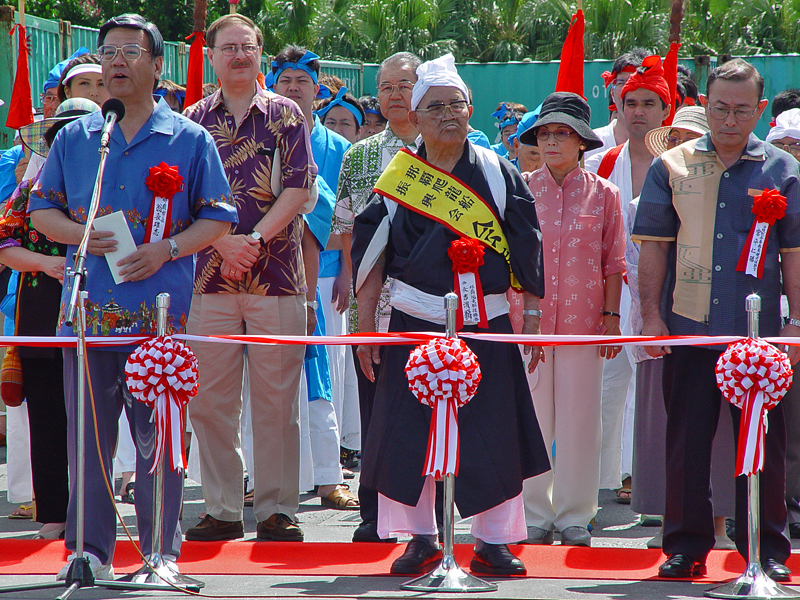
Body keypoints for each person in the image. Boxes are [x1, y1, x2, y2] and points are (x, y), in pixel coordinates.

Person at [29, 13, 237, 579]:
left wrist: (168, 248)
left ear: (157, 64)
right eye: (107, 52)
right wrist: (80, 235)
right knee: (88, 440)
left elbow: (219, 216)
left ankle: (160, 554)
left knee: (160, 442)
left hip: (160, 317)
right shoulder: (77, 138)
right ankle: (89, 553)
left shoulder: (190, 139)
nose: (116, 62)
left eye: (129, 52)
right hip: (88, 313)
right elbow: (40, 210)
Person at [352, 53, 550, 576]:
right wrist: (366, 327)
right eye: (434, 106)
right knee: (408, 431)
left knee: (493, 429)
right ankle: (420, 537)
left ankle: (494, 540)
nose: (447, 115)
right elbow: (371, 255)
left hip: (487, 319)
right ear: (414, 117)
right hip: (413, 320)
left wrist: (530, 319)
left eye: (456, 105)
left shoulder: (498, 172)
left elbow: (527, 247)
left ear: (470, 110)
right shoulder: (401, 178)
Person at [633, 58, 800, 581]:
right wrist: (652, 318)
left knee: (764, 444)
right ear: (705, 105)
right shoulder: (672, 166)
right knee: (685, 440)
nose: (730, 120)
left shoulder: (784, 170)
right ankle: (684, 547)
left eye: (742, 110)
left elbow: (794, 253)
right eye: (721, 108)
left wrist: (796, 326)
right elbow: (654, 249)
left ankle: (765, 549)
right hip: (688, 326)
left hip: (761, 334)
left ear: (762, 109)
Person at [183, 14, 315, 543]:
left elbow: (300, 189)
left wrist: (252, 241)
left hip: (277, 276)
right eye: (228, 48)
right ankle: (221, 507)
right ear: (211, 56)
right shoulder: (191, 121)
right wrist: (221, 243)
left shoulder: (285, 114)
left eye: (248, 47)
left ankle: (278, 509)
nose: (239, 55)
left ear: (262, 54)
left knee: (277, 400)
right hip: (208, 280)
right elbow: (181, 201)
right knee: (210, 401)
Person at [517, 92, 626, 547]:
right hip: (531, 322)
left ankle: (576, 515)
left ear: (582, 141)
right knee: (533, 418)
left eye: (562, 133)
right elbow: (513, 257)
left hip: (586, 323)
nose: (552, 141)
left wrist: (613, 319)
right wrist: (522, 317)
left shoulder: (605, 194)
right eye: (544, 133)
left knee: (582, 419)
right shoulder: (520, 188)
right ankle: (533, 514)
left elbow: (613, 262)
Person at [631, 106, 736, 550]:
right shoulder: (655, 186)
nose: (681, 147)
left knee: (735, 434)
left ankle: (729, 529)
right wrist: (649, 318)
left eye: (688, 138)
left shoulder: (751, 180)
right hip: (672, 323)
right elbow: (643, 256)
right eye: (673, 139)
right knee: (677, 434)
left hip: (734, 323)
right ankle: (679, 531)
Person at [331, 50, 422, 543]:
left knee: (430, 400)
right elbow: (344, 230)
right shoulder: (361, 155)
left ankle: (428, 514)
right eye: (385, 87)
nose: (394, 95)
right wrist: (349, 277)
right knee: (375, 407)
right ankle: (375, 512)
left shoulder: (447, 148)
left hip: (431, 303)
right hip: (374, 302)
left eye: (404, 85)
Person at [2, 99, 100, 540]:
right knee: (45, 409)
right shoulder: (30, 187)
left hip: (104, 304)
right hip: (42, 306)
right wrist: (46, 265)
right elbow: (5, 245)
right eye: (64, 130)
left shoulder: (112, 177)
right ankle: (54, 512)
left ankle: (97, 509)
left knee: (99, 409)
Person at [271, 44, 357, 511]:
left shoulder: (338, 147)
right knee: (268, 377)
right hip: (267, 274)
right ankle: (266, 476)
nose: (293, 88)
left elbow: (344, 215)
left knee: (324, 374)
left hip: (323, 277)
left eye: (301, 82)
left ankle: (329, 476)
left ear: (317, 89)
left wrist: (345, 270)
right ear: (273, 84)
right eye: (285, 81)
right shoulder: (259, 133)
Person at [585, 55, 672, 504]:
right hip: (611, 295)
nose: (638, 110)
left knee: (654, 393)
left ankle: (649, 484)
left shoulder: (680, 164)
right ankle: (598, 487)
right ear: (617, 106)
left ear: (665, 111)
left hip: (663, 296)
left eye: (649, 103)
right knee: (606, 389)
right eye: (630, 101)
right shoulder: (600, 163)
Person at [765, 105, 800, 540]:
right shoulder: (769, 192)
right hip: (778, 320)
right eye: (784, 146)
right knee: (782, 419)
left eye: (797, 145)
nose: (790, 154)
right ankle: (781, 504)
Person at [588, 48, 647, 158]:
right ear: (612, 93)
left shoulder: (666, 147)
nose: (626, 88)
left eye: (633, 81)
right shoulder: (591, 144)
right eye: (621, 82)